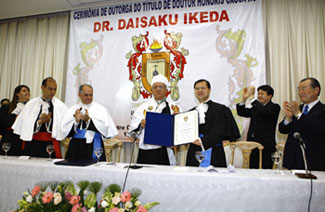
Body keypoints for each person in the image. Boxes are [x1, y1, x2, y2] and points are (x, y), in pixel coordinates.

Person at [186, 79, 240, 167]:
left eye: (203, 88)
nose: (200, 91)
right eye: (197, 89)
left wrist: (204, 141)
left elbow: (223, 131)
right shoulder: (191, 113)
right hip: (195, 151)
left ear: (209, 90)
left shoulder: (221, 109)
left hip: (215, 151)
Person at [129, 75, 180, 165]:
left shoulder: (174, 108)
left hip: (165, 150)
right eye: (155, 87)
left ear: (166, 90)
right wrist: (141, 125)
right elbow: (133, 130)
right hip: (146, 149)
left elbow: (181, 129)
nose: (158, 89)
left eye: (161, 87)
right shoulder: (143, 107)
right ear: (151, 90)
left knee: (164, 177)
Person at [58, 84, 118, 161]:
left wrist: (88, 120)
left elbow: (106, 128)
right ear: (79, 95)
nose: (89, 97)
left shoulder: (101, 110)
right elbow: (64, 130)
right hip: (76, 146)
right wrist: (76, 121)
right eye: (86, 95)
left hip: (94, 145)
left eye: (91, 95)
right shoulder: (72, 109)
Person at [12, 77, 67, 158]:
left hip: (51, 146)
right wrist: (40, 122)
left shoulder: (60, 106)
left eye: (55, 89)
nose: (53, 92)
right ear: (42, 87)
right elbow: (25, 126)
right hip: (33, 145)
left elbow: (63, 128)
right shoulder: (31, 104)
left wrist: (49, 122)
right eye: (50, 89)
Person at [279, 77, 325, 171]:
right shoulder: (297, 108)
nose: (300, 93)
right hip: (291, 159)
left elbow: (319, 128)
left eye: (303, 89)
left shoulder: (322, 110)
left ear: (316, 90)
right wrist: (288, 118)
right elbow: (282, 130)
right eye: (299, 89)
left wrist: (298, 114)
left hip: (312, 160)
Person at [236, 85, 280, 169]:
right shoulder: (256, 108)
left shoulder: (274, 107)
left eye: (262, 94)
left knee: (265, 171)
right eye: (258, 94)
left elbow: (265, 112)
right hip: (252, 145)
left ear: (270, 96)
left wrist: (252, 99)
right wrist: (244, 99)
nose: (259, 96)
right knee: (252, 169)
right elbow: (241, 112)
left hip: (266, 146)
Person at [0, 85, 30, 156]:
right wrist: (15, 118)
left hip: (24, 140)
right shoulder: (7, 106)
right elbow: (1, 121)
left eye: (28, 91)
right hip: (9, 139)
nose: (27, 92)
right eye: (24, 90)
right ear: (17, 94)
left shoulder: (32, 108)